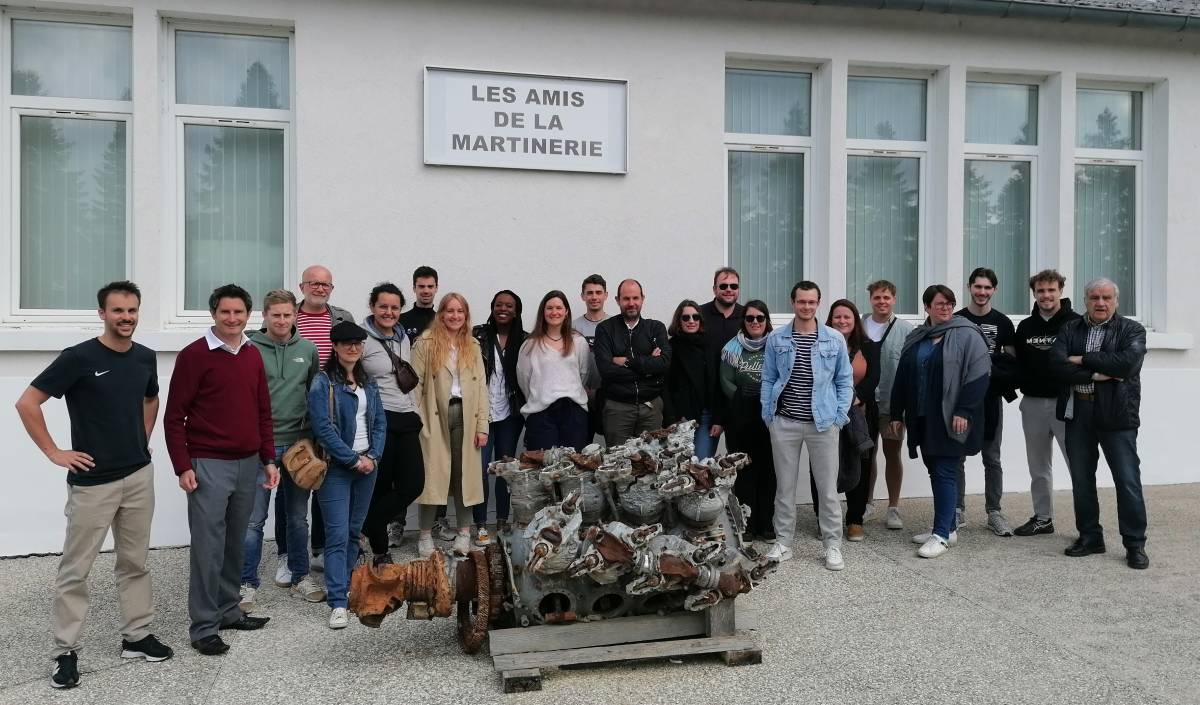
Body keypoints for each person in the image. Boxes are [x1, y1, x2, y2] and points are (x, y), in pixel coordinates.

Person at [16, 281, 173, 688]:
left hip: (138, 476)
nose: (126, 317)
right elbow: (27, 403)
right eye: (118, 310)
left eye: (132, 310)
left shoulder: (145, 357)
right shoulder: (79, 357)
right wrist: (54, 452)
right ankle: (65, 651)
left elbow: (151, 399)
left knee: (135, 562)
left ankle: (136, 636)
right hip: (92, 484)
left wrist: (141, 438)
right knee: (76, 569)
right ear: (102, 313)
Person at [165, 284, 277, 655]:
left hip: (248, 464)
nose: (232, 318)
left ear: (248, 315)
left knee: (234, 543)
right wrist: (182, 466)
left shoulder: (252, 353)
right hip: (209, 464)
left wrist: (268, 459)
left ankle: (229, 611)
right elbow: (174, 416)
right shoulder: (194, 355)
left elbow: (263, 411)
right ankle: (203, 627)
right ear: (213, 313)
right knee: (208, 548)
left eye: (238, 312)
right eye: (225, 312)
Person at [1050, 278, 1149, 569]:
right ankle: (1090, 537)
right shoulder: (1070, 328)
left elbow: (1127, 364)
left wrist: (1081, 359)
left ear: (1116, 301)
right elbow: (1056, 365)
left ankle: (1135, 544)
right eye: (1094, 297)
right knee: (1082, 480)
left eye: (1106, 297)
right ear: (1085, 300)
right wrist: (1096, 373)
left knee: (1127, 480)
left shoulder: (1132, 330)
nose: (1100, 303)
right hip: (1078, 411)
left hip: (1117, 414)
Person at [890, 285, 990, 559]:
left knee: (945, 471)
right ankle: (948, 527)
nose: (945, 308)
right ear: (927, 307)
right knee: (936, 470)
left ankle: (941, 535)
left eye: (949, 303)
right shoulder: (918, 337)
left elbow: (979, 376)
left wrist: (964, 410)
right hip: (923, 417)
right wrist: (896, 413)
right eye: (939, 304)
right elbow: (903, 376)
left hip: (950, 417)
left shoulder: (968, 334)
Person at [759, 281, 853, 570]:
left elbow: (844, 381)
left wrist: (839, 417)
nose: (806, 306)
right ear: (793, 302)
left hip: (823, 424)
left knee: (827, 490)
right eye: (802, 301)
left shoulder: (834, 339)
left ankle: (832, 546)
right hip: (785, 422)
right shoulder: (776, 339)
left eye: (812, 302)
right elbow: (768, 378)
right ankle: (783, 542)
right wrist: (769, 416)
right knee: (784, 487)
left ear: (818, 303)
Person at [241, 290, 325, 611]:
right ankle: (246, 584)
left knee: (297, 517)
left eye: (287, 314)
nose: (281, 320)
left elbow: (313, 392)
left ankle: (301, 576)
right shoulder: (249, 348)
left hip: (299, 445)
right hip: (261, 444)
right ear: (264, 316)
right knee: (254, 520)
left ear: (295, 316)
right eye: (275, 314)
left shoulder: (308, 349)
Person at [308, 321, 386, 628]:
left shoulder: (369, 382)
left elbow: (379, 422)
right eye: (347, 343)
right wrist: (353, 460)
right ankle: (338, 602)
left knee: (354, 531)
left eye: (358, 343)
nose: (353, 348)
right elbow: (323, 429)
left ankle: (348, 586)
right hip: (337, 469)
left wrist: (373, 457)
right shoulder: (323, 382)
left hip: (368, 466)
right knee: (337, 535)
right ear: (335, 347)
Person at [411, 293, 490, 557]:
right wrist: (417, 422)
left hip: (466, 415)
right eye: (450, 311)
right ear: (441, 314)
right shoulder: (426, 343)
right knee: (432, 476)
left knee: (463, 476)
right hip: (433, 416)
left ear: (466, 316)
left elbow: (482, 388)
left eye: (460, 311)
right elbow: (415, 385)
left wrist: (482, 426)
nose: (455, 316)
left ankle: (464, 532)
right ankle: (425, 535)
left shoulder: (473, 345)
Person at [294, 264, 354, 575]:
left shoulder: (342, 317)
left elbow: (350, 360)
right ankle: (289, 554)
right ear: (302, 286)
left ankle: (319, 547)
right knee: (295, 481)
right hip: (296, 411)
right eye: (313, 283)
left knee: (326, 477)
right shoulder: (288, 316)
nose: (319, 288)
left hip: (333, 410)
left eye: (325, 285)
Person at [360, 283, 425, 564]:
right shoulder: (361, 339)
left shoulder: (403, 338)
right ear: (372, 307)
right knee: (381, 486)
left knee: (413, 484)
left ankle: (363, 526)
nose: (389, 312)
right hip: (379, 419)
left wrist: (416, 412)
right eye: (383, 306)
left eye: (394, 307)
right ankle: (380, 552)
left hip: (406, 418)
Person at [1013, 270, 1080, 537]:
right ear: (1034, 293)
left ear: (1060, 291)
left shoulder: (1076, 323)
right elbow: (1017, 364)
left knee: (1078, 466)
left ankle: (1087, 526)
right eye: (1041, 291)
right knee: (1038, 466)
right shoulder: (1025, 327)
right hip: (1032, 404)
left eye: (1051, 290)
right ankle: (1043, 519)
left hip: (1067, 402)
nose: (1046, 295)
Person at [954, 267, 1018, 536]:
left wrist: (991, 367)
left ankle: (994, 512)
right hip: (961, 401)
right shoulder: (957, 319)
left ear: (994, 290)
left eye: (987, 287)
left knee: (992, 457)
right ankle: (957, 510)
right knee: (956, 456)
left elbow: (1012, 362)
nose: (982, 292)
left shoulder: (1003, 322)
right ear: (969, 287)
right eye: (977, 286)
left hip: (990, 400)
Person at [471, 290, 527, 545]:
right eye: (499, 305)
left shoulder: (524, 340)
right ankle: (481, 523)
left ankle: (503, 520)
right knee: (480, 470)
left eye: (509, 306)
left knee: (505, 470)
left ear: (517, 311)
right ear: (492, 307)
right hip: (481, 414)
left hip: (509, 415)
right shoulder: (478, 335)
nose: (503, 309)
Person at [719, 300, 776, 541]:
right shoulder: (731, 348)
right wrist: (744, 395)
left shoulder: (776, 346)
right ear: (743, 321)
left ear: (766, 320)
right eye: (750, 318)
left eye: (760, 317)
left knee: (768, 470)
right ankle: (747, 524)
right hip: (740, 418)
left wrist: (766, 395)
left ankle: (766, 523)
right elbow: (725, 380)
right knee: (744, 471)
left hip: (769, 416)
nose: (755, 322)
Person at [862, 280, 914, 530]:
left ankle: (893, 508)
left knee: (892, 453)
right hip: (862, 403)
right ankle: (866, 503)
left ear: (894, 299)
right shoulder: (860, 326)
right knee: (866, 454)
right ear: (870, 299)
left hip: (892, 405)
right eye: (877, 297)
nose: (882, 302)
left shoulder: (905, 329)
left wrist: (903, 408)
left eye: (886, 297)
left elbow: (910, 369)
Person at [594, 279, 672, 445]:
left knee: (651, 457)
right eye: (626, 298)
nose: (631, 303)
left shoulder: (656, 328)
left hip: (651, 408)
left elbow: (664, 364)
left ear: (642, 299)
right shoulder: (605, 329)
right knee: (617, 459)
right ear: (617, 300)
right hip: (617, 408)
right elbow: (606, 370)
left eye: (635, 298)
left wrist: (627, 361)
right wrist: (648, 367)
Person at [824, 299, 875, 542]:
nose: (842, 321)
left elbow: (874, 377)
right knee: (823, 465)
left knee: (861, 464)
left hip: (860, 413)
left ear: (855, 321)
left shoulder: (868, 346)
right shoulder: (820, 342)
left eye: (847, 317)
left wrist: (856, 397)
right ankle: (824, 517)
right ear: (830, 319)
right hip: (827, 413)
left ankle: (855, 519)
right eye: (837, 317)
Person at [518, 290, 593, 453]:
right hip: (541, 414)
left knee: (573, 464)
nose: (554, 312)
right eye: (549, 308)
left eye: (559, 308)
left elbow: (583, 374)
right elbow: (524, 379)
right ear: (543, 312)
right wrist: (539, 397)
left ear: (566, 312)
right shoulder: (530, 345)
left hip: (574, 413)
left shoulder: (578, 342)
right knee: (543, 465)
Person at [665, 299, 721, 458]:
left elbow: (718, 384)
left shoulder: (711, 345)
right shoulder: (670, 347)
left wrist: (719, 419)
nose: (691, 321)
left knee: (702, 462)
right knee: (682, 465)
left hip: (706, 416)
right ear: (679, 321)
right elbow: (665, 385)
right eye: (686, 317)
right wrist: (671, 419)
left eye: (695, 317)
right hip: (680, 417)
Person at [574, 274, 608, 441]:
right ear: (583, 296)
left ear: (606, 295)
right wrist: (583, 389)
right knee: (580, 447)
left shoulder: (615, 324)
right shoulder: (572, 327)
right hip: (581, 397)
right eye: (590, 293)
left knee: (615, 448)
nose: (594, 297)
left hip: (609, 395)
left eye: (598, 292)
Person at [400, 265, 439, 345]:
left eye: (430, 286)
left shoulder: (442, 322)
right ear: (414, 288)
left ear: (436, 288)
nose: (426, 291)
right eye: (421, 286)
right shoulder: (400, 321)